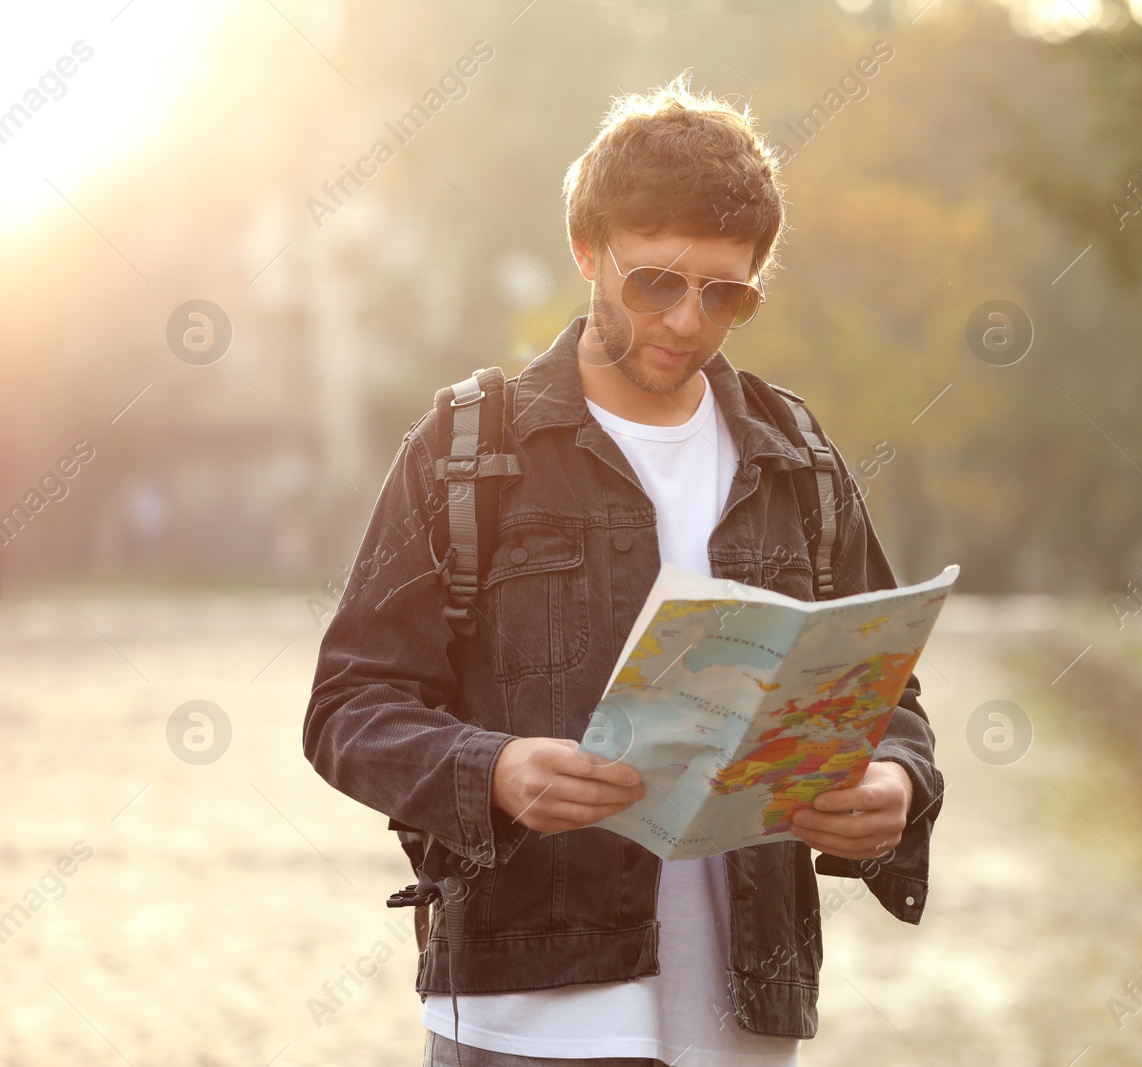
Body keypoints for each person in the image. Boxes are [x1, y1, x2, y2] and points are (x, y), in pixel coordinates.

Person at [303, 73, 944, 1067]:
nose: (687, 319)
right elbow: (348, 705)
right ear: (587, 252)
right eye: (656, 280)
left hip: (745, 1021)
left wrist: (896, 780)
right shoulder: (469, 447)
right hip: (523, 1020)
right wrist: (494, 770)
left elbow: (888, 690)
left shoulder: (798, 456)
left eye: (724, 292)